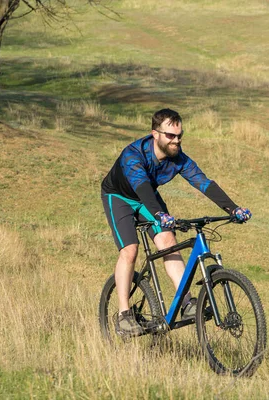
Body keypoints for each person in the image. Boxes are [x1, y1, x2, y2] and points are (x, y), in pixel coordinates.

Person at [101, 108, 251, 336]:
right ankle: (124, 314)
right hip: (119, 197)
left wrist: (233, 208)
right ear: (155, 134)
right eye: (170, 135)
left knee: (168, 240)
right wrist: (160, 215)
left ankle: (187, 304)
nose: (176, 140)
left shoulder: (178, 158)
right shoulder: (134, 155)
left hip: (146, 196)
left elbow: (203, 183)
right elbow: (141, 187)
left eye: (179, 135)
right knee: (130, 251)